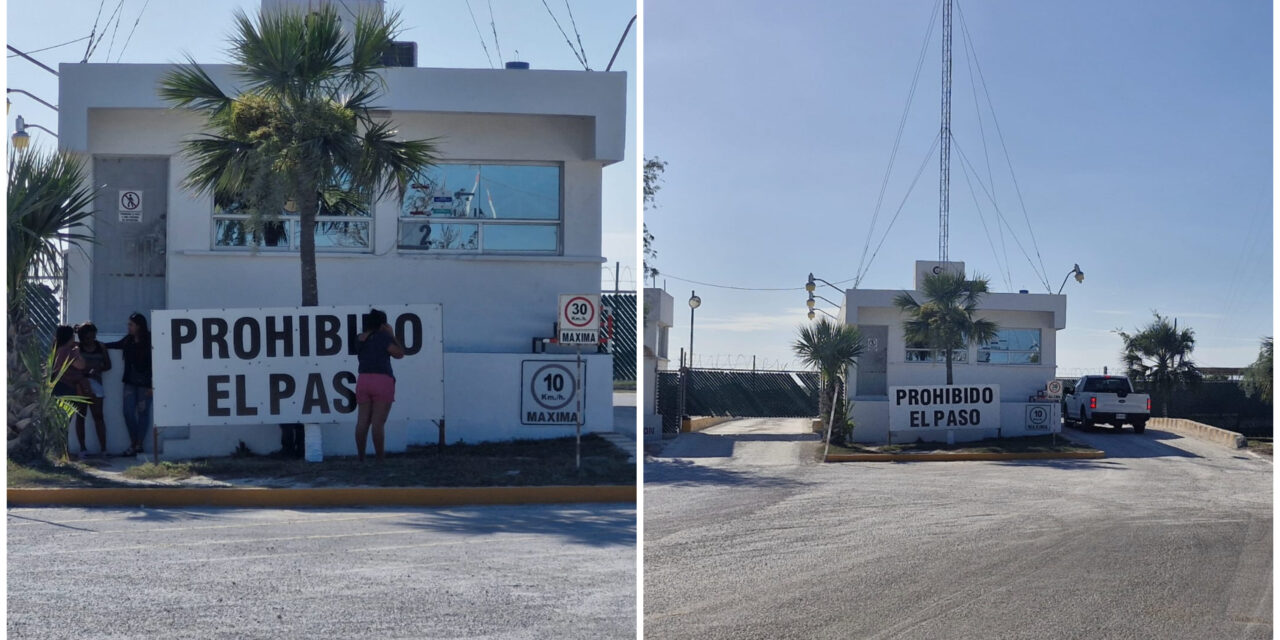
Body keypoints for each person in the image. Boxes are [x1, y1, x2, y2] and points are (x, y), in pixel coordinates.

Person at [354, 309, 404, 462]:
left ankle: (361, 457)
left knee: (362, 421)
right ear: (382, 324)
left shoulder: (359, 338)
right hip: (382, 380)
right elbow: (400, 353)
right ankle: (380, 457)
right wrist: (392, 335)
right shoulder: (383, 337)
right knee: (378, 423)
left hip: (363, 379)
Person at [104, 312, 153, 456]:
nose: (128, 327)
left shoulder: (150, 340)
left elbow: (155, 362)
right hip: (130, 382)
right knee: (127, 412)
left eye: (131, 325)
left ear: (139, 326)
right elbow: (116, 344)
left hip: (145, 383)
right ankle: (134, 443)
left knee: (143, 413)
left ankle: (138, 445)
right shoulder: (129, 340)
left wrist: (152, 384)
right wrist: (98, 345)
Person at [74, 322, 112, 458]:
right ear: (83, 337)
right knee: (81, 415)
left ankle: (103, 448)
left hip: (96, 383)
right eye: (89, 337)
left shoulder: (100, 347)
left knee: (98, 416)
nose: (92, 339)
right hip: (81, 383)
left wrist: (97, 369)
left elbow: (108, 365)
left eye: (94, 336)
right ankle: (83, 448)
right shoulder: (77, 348)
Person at [51, 325, 87, 399]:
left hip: (60, 385)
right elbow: (81, 365)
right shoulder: (66, 351)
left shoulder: (59, 349)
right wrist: (77, 352)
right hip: (65, 386)